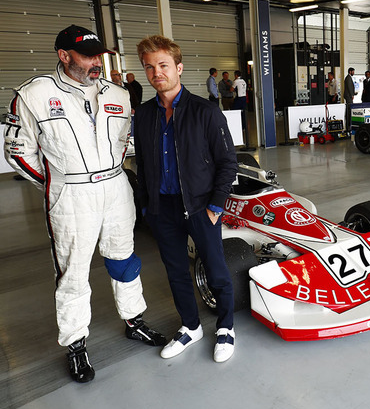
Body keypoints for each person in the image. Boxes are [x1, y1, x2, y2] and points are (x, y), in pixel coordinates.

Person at [3, 25, 165, 383]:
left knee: (125, 259)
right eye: (87, 56)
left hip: (116, 186)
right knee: (73, 274)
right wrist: (58, 184)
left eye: (99, 56)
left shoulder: (119, 95)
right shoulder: (34, 95)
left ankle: (134, 320)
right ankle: (75, 344)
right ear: (64, 56)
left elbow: (124, 143)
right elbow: (18, 151)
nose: (96, 62)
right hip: (71, 195)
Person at [134, 35, 238, 363]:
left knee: (217, 270)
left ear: (178, 67)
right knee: (176, 271)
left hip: (199, 206)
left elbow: (228, 162)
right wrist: (147, 207)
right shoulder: (145, 115)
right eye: (149, 67)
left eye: (163, 65)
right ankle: (191, 326)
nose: (156, 72)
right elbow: (143, 163)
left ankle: (226, 327)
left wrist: (215, 207)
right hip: (162, 209)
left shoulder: (206, 112)